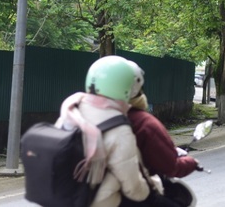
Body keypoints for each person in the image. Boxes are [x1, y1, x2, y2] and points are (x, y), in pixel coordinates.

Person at [55, 55, 159, 207]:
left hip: (62, 198)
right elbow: (134, 188)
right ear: (125, 88)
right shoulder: (119, 128)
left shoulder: (70, 112)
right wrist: (155, 189)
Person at [121, 61, 200, 207]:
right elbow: (171, 167)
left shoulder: (78, 117)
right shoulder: (143, 123)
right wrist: (191, 162)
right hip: (130, 197)